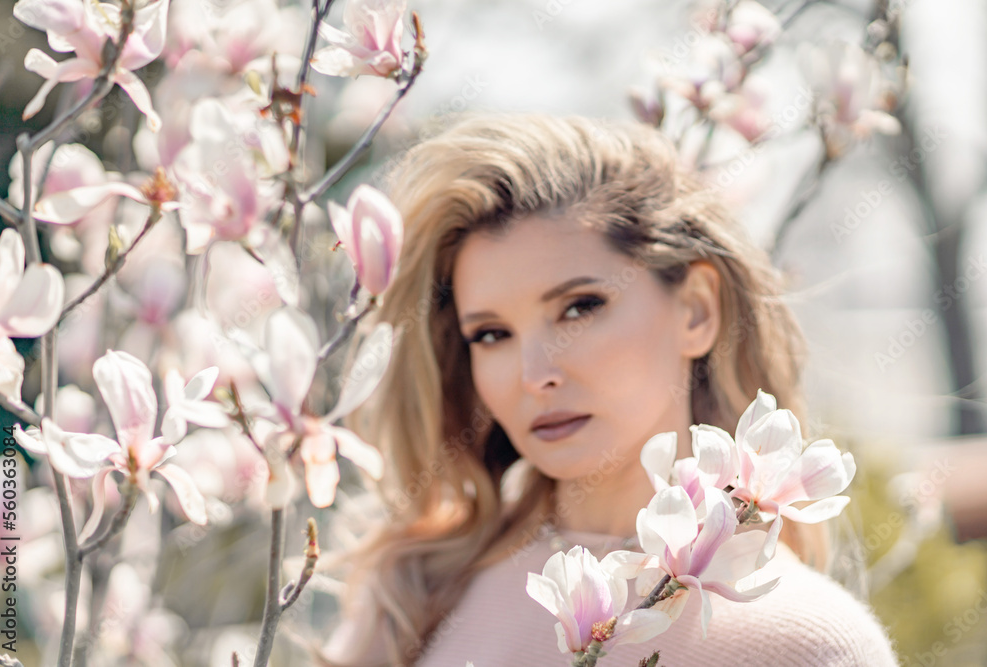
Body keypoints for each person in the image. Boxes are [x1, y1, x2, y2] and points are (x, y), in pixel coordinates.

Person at [315, 114, 899, 666]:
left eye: (579, 307)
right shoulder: (423, 596)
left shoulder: (803, 642)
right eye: (491, 333)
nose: (533, 372)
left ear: (696, 310)